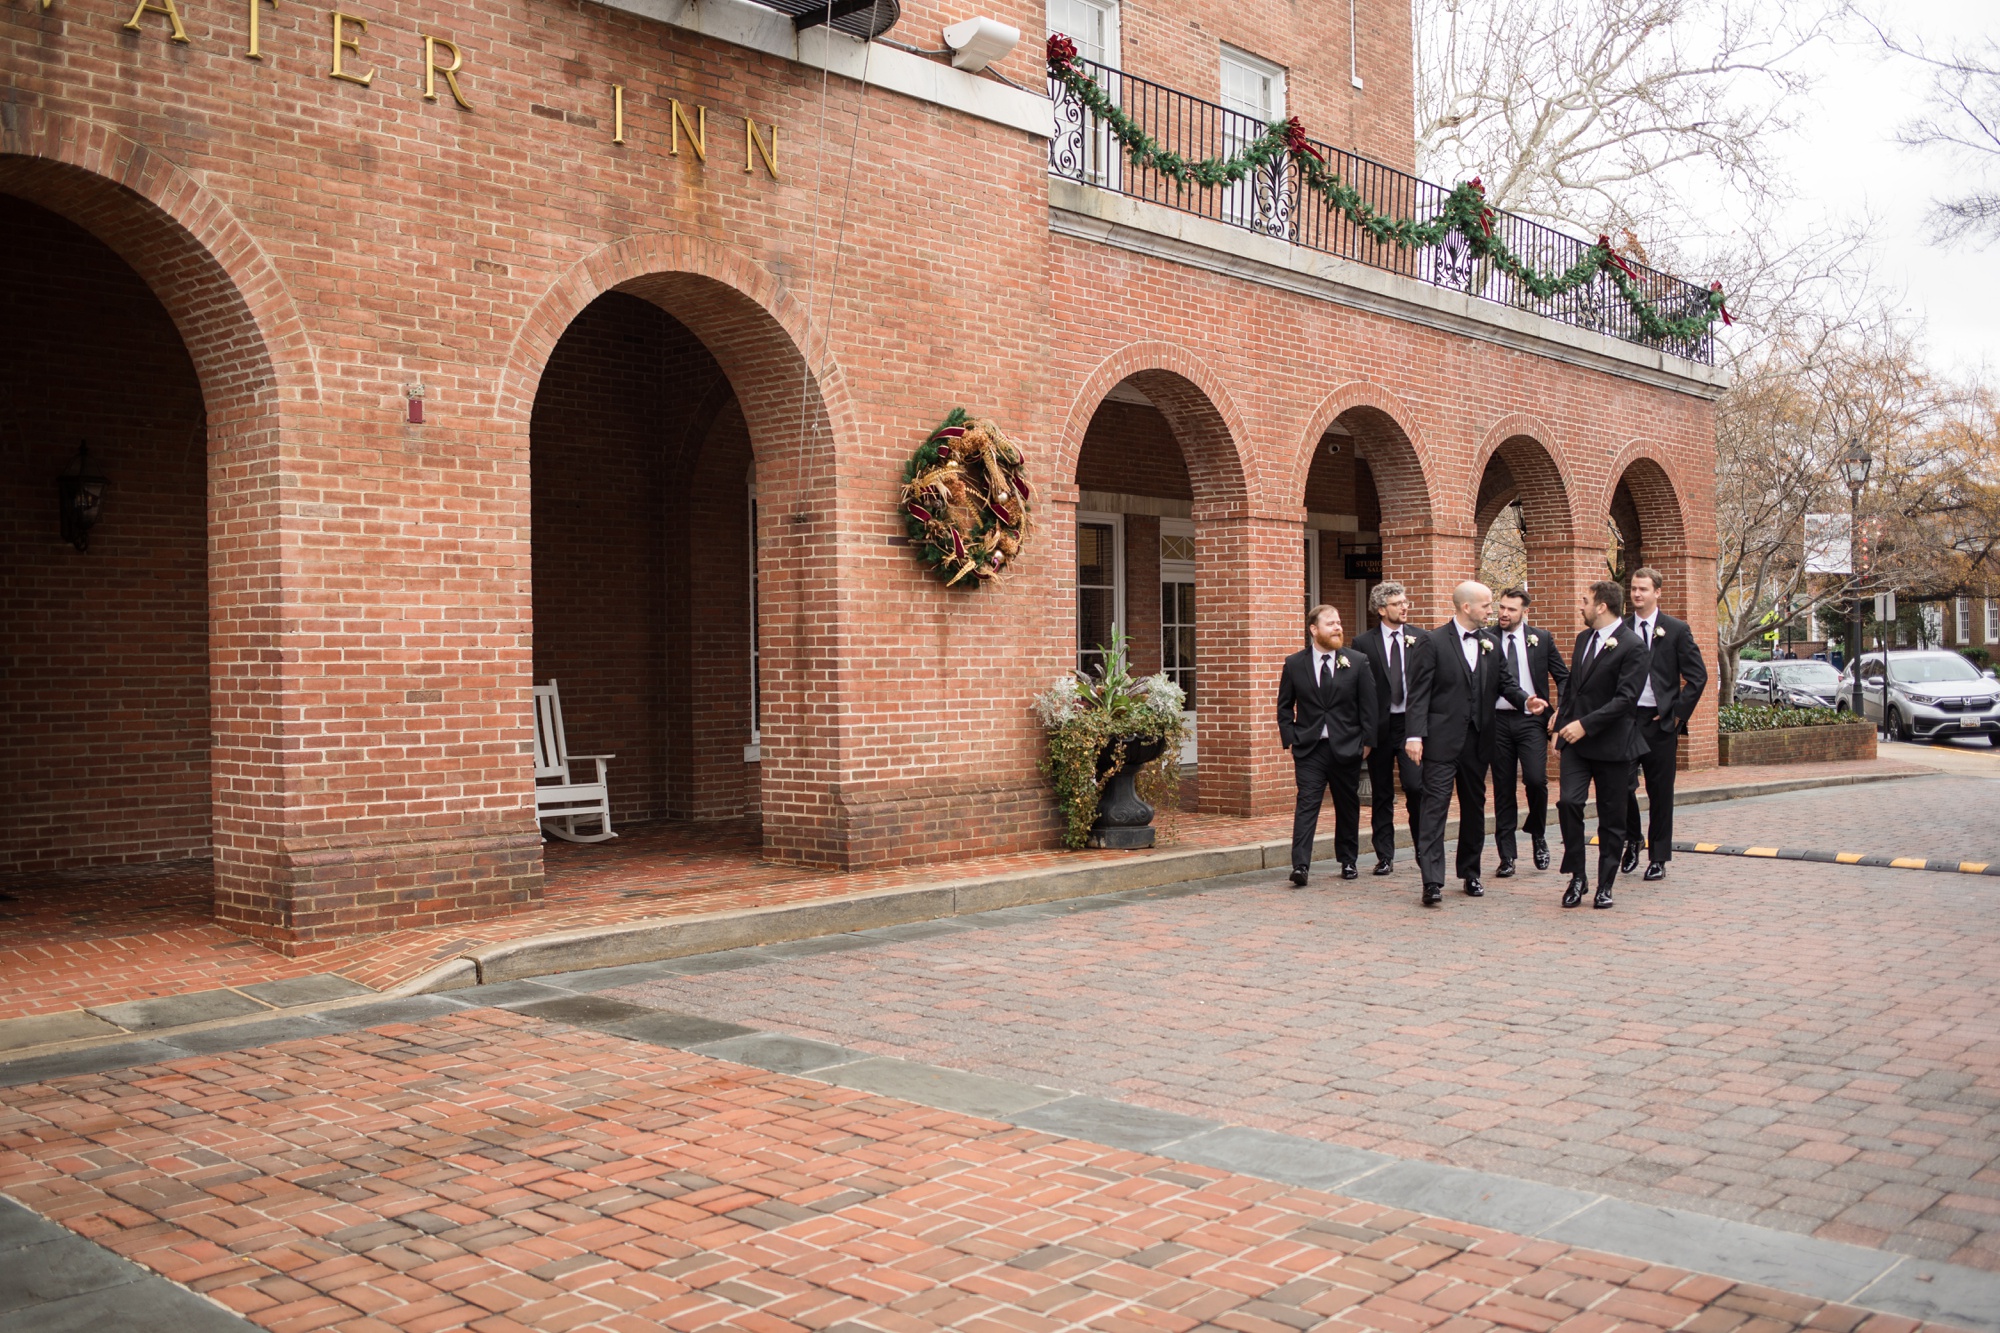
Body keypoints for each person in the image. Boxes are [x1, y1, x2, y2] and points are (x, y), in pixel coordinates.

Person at [1404, 581, 1546, 907]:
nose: (1491, 610)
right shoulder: (1433, 642)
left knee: (1474, 809)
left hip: (1479, 740)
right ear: (1466, 607)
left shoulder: (1491, 643)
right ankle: (1432, 880)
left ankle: (1470, 872)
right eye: (1485, 604)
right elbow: (1418, 693)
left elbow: (1505, 682)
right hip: (1440, 740)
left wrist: (1527, 702)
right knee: (1434, 810)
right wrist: (1414, 736)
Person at [1553, 581, 1650, 909]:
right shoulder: (1582, 639)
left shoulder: (1633, 645)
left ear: (1602, 606)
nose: (1581, 606)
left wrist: (1585, 725)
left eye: (1585, 601)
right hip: (1576, 745)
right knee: (1568, 803)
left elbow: (1626, 700)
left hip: (1612, 745)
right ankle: (1577, 875)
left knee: (1611, 817)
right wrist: (1562, 724)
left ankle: (1605, 884)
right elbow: (1573, 688)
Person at [1276, 605, 1379, 886]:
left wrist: (1367, 741)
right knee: (1307, 804)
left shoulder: (1357, 661)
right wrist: (1291, 737)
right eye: (1331, 623)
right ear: (1313, 629)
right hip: (1310, 749)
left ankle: (1348, 861)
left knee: (1347, 805)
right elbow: (1284, 706)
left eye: (1339, 622)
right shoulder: (1295, 663)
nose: (1338, 627)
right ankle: (1300, 865)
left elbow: (1369, 705)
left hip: (1346, 747)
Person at [1621, 566, 1709, 882]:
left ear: (1657, 592)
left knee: (1660, 792)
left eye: (1643, 589)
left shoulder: (1675, 630)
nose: (1636, 594)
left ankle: (1658, 857)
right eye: (1633, 588)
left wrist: (1676, 713)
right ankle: (1632, 839)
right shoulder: (1621, 629)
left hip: (1660, 724)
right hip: (1627, 723)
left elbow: (1698, 676)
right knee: (1620, 786)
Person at [1489, 587, 1568, 876]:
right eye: (1501, 607)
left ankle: (1537, 834)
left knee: (1536, 780)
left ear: (1525, 612)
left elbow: (1564, 678)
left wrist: (1561, 712)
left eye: (1511, 609)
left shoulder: (1541, 639)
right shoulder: (1487, 638)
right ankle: (1507, 856)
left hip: (1532, 721)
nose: (1504, 613)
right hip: (1496, 721)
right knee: (1503, 788)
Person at [1349, 581, 1423, 876]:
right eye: (1397, 603)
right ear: (1381, 609)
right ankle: (1385, 856)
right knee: (1381, 793)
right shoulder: (1363, 643)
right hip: (1379, 728)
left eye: (1406, 602)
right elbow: (1361, 691)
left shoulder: (1421, 638)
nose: (1404, 607)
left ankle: (1423, 848)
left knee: (1416, 787)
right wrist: (1365, 733)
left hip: (1410, 725)